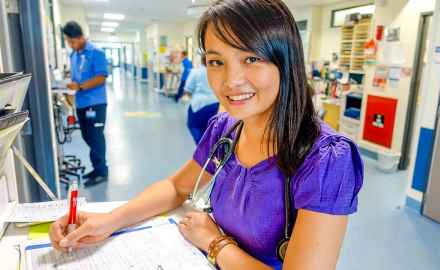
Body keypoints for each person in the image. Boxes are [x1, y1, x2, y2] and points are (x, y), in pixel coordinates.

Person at [49, 1, 363, 269]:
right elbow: (176, 186)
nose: (231, 81)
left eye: (251, 58)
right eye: (216, 62)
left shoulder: (325, 158)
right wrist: (109, 221)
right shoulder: (226, 128)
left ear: (286, 61)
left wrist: (215, 243)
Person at [62, 21, 109, 187]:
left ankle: (102, 171)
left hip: (95, 103)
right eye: (68, 42)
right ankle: (97, 168)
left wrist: (80, 86)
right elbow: (76, 77)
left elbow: (101, 77)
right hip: (81, 103)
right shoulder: (73, 55)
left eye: (72, 41)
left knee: (96, 138)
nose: (70, 45)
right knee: (87, 136)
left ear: (81, 37)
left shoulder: (96, 53)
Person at [183, 56, 220, 144]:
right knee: (211, 129)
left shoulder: (196, 72)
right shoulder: (218, 73)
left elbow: (188, 90)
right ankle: (210, 148)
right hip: (216, 105)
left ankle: (202, 147)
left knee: (192, 125)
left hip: (199, 106)